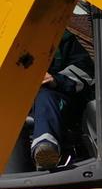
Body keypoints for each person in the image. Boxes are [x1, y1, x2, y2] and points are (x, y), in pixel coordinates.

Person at [31, 29, 94, 170]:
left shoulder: (60, 36)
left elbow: (85, 72)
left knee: (45, 97)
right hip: (14, 105)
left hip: (56, 101)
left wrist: (56, 80)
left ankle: (46, 148)